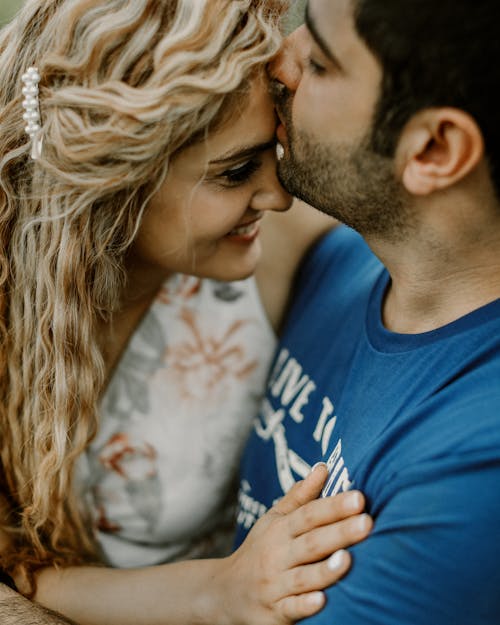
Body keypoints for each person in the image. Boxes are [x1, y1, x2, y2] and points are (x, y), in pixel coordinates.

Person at [0, 1, 375, 624]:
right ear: (114, 186)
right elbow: (21, 572)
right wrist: (221, 592)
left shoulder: (276, 248)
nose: (278, 196)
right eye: (234, 172)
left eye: (270, 155)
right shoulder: (13, 314)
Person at [235, 0, 500, 623]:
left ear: (434, 149)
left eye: (321, 63)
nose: (281, 59)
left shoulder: (475, 468)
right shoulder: (343, 260)